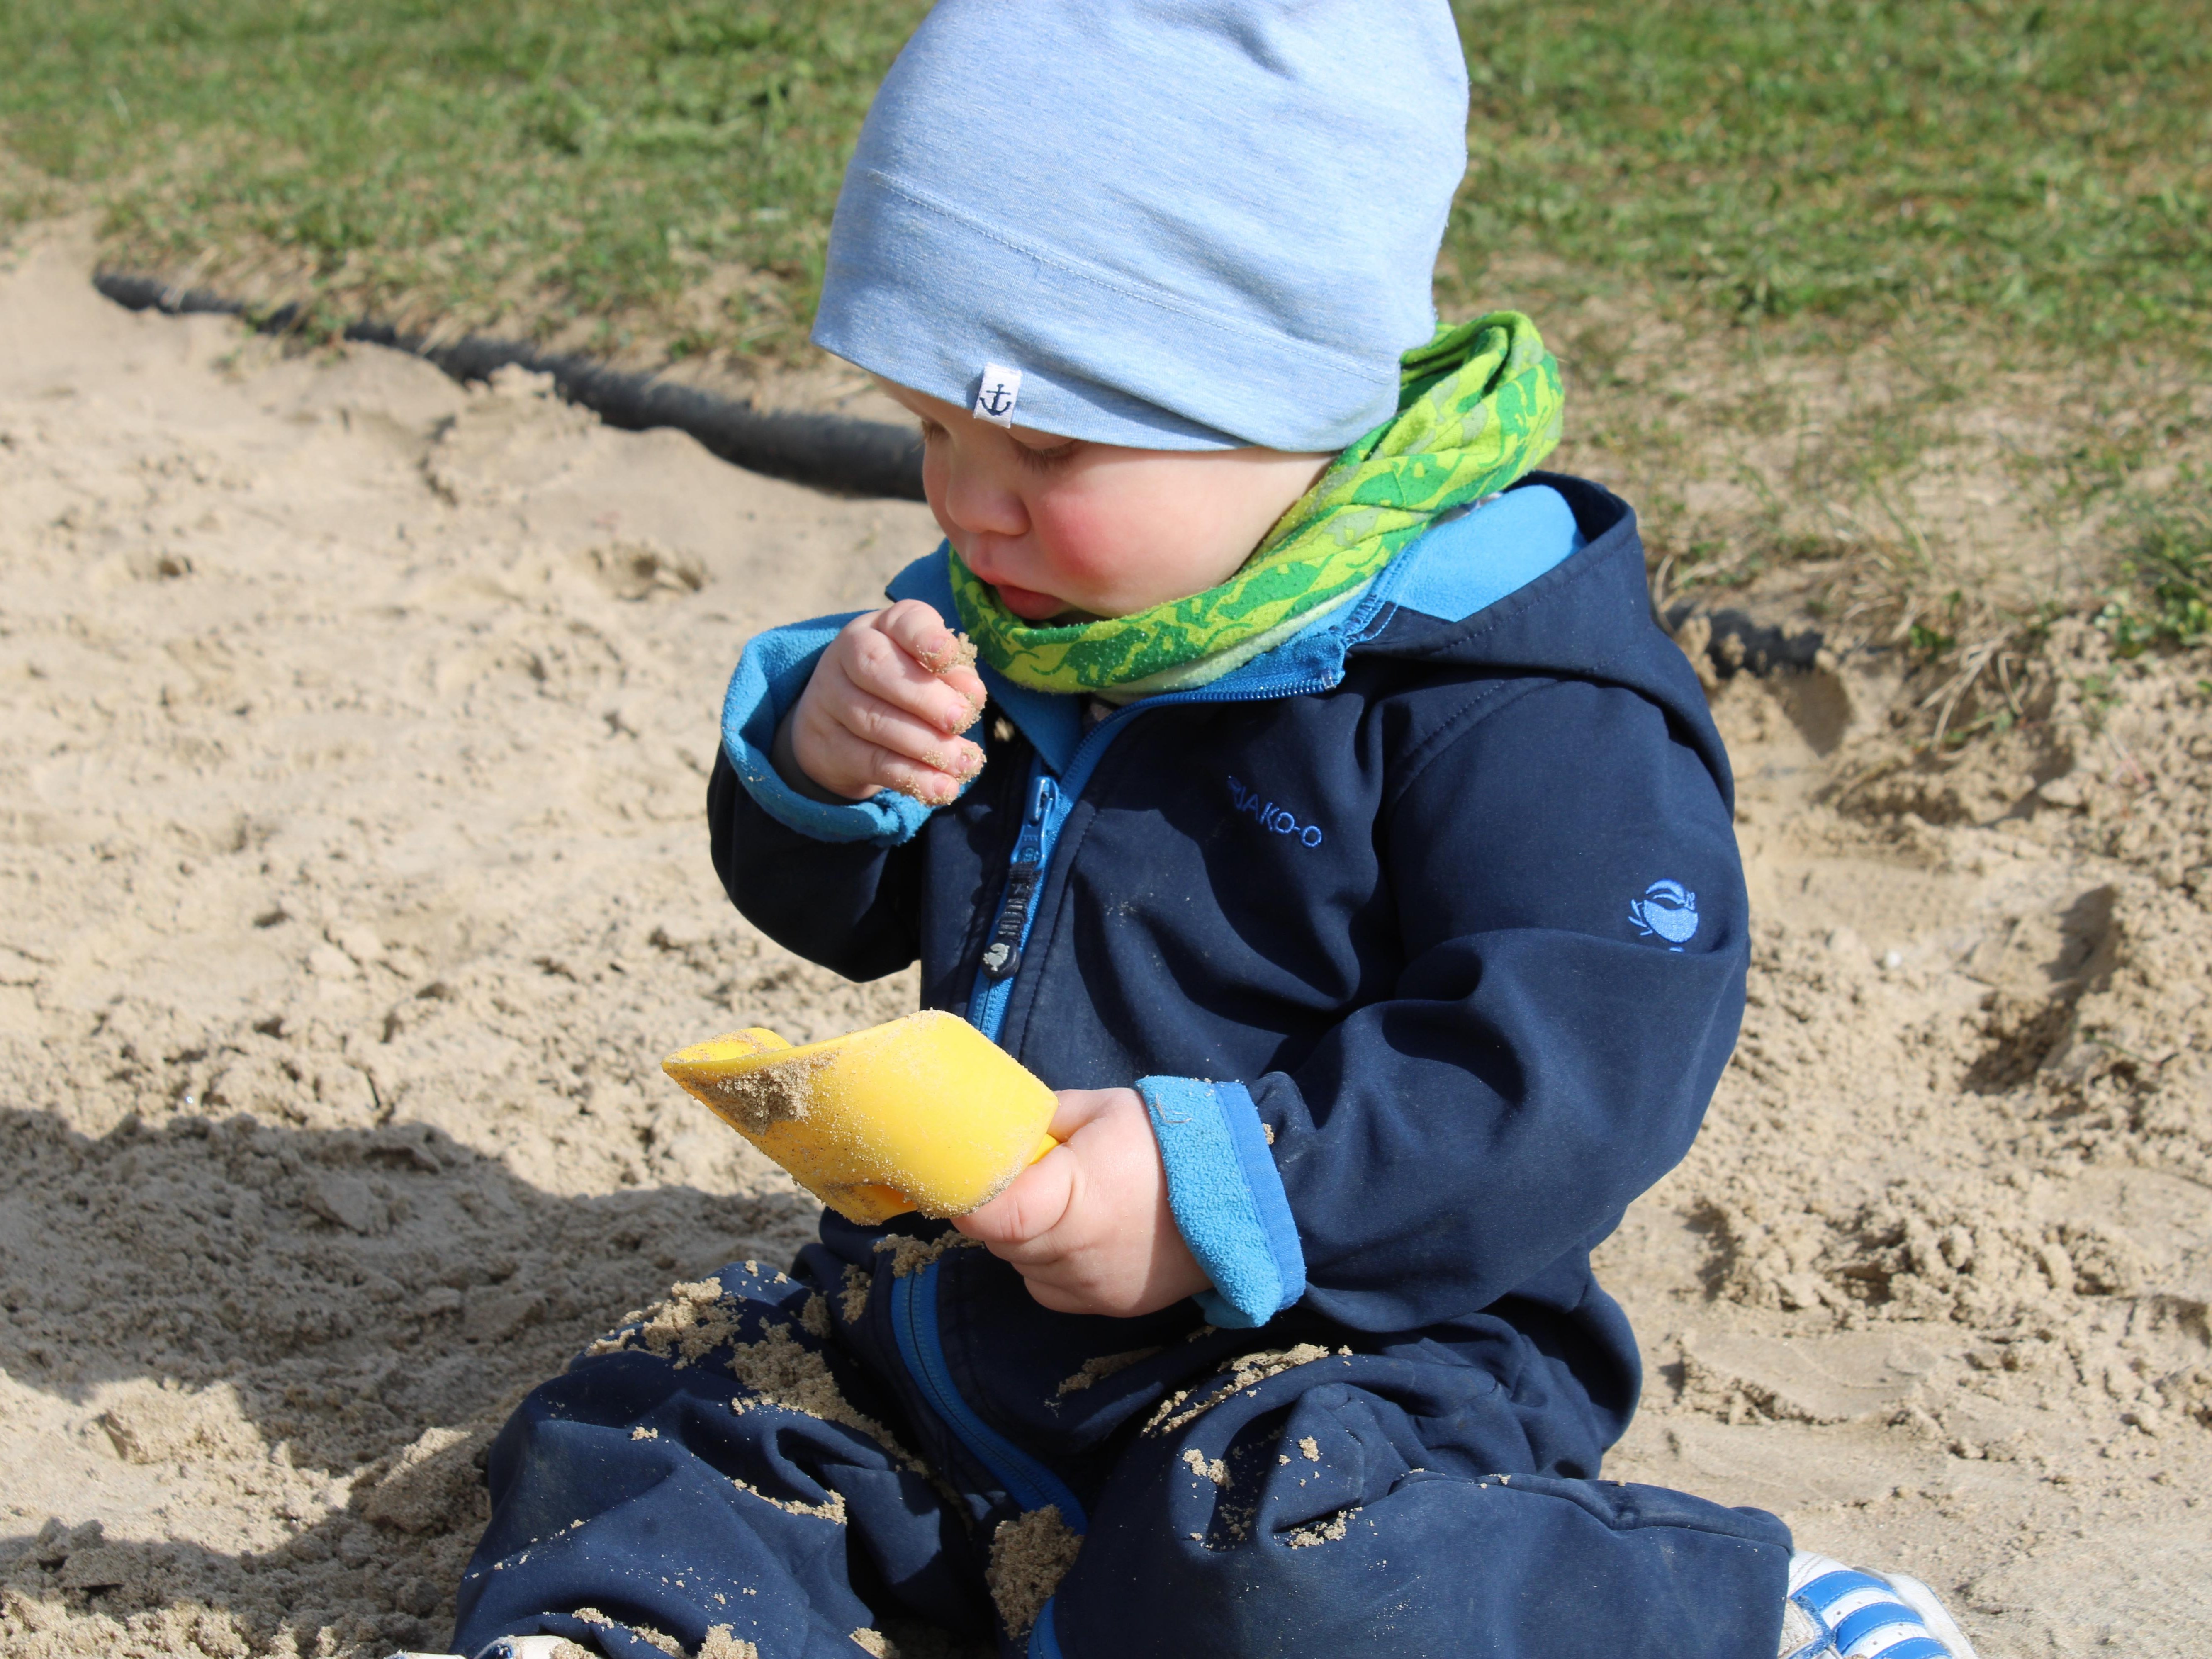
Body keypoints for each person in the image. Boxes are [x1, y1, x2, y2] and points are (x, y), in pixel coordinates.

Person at [442, 6, 1979, 1659]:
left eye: (1040, 442)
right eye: (932, 427)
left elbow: (1575, 1056)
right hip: (965, 1314)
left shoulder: (1505, 689)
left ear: (1275, 390)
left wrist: (1218, 1185)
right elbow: (852, 905)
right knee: (669, 1417)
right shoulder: (1027, 611)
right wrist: (826, 772)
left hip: (1339, 1351)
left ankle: (1733, 1618)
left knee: (1279, 1567)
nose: (964, 501)